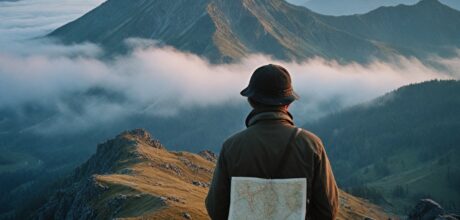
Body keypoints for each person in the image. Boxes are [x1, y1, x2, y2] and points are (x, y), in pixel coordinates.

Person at [205, 64, 339, 220]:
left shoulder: (231, 146)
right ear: (288, 103)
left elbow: (216, 208)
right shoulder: (311, 145)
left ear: (251, 101)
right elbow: (328, 209)